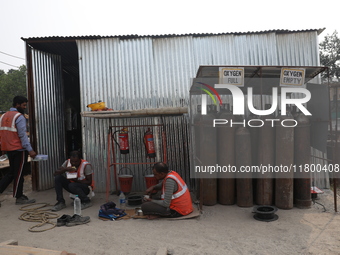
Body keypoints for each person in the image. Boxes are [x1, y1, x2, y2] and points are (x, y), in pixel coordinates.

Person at [0, 96, 37, 205]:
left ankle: (18, 194)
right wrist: (30, 150)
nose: (25, 107)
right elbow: (23, 135)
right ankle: (19, 196)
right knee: (19, 174)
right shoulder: (19, 117)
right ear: (17, 104)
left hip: (9, 149)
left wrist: (3, 147)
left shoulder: (3, 116)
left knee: (12, 172)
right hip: (19, 149)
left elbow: (2, 134)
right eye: (23, 105)